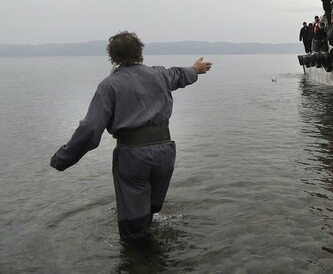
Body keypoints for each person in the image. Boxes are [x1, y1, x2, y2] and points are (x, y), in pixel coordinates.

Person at [50, 31, 212, 243]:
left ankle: (140, 257)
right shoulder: (160, 74)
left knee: (133, 223)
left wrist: (63, 158)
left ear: (113, 56)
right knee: (151, 209)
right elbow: (179, 74)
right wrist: (196, 70)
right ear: (140, 52)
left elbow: (90, 128)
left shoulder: (109, 85)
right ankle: (157, 257)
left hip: (133, 155)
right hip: (165, 151)